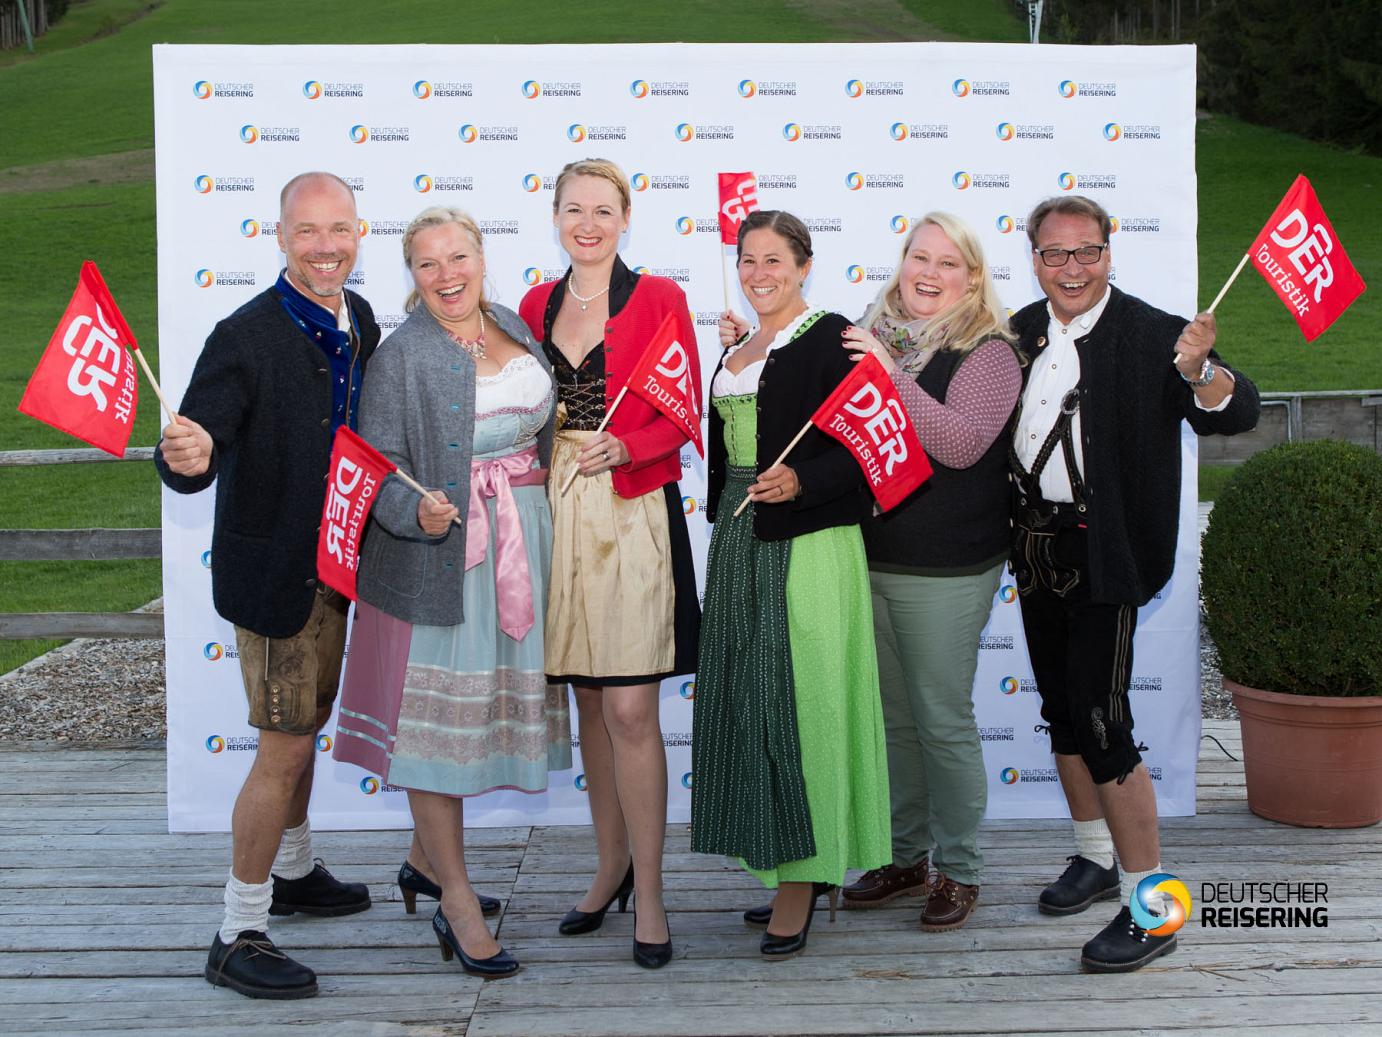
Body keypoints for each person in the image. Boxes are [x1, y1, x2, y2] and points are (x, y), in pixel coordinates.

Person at [1009, 195, 1259, 972]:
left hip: (1107, 553)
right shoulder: (1017, 331)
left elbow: (1235, 411)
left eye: (1087, 250)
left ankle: (1154, 908)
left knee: (1101, 719)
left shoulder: (1156, 335)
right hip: (1033, 548)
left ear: (1109, 253)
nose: (1072, 267)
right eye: (1056, 253)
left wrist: (1201, 371)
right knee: (1061, 712)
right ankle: (1093, 855)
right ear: (1036, 259)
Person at [156, 171, 379, 1000]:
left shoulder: (359, 319)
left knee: (307, 727)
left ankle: (293, 870)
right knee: (283, 746)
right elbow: (193, 446)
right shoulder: (243, 335)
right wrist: (189, 457)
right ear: (279, 237)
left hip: (336, 569)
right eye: (307, 230)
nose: (325, 246)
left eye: (339, 229)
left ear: (359, 235)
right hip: (275, 576)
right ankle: (237, 929)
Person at [332, 207, 570, 979]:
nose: (446, 275)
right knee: (433, 739)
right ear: (412, 274)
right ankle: (458, 903)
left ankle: (423, 862)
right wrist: (417, 512)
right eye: (428, 264)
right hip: (443, 560)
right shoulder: (401, 356)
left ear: (480, 256)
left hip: (520, 542)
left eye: (457, 257)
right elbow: (377, 468)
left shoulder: (511, 323)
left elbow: (543, 428)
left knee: (472, 723)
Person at [693, 209, 891, 960]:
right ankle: (781, 859)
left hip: (809, 542)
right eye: (748, 260)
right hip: (741, 537)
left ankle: (808, 876)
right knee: (753, 698)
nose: (759, 273)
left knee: (806, 702)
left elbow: (871, 448)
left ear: (805, 265)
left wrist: (804, 480)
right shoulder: (738, 345)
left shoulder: (835, 338)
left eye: (774, 259)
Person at [517, 158, 700, 970]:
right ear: (555, 216)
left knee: (629, 709)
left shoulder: (660, 298)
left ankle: (651, 894)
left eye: (602, 209)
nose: (586, 224)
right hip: (557, 508)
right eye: (573, 209)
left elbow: (682, 412)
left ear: (626, 218)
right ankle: (610, 866)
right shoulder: (533, 305)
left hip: (631, 510)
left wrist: (629, 444)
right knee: (588, 702)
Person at [836, 213, 1024, 930]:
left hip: (946, 566)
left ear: (971, 278)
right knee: (895, 721)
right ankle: (905, 856)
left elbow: (961, 443)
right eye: (920, 257)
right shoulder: (872, 332)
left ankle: (961, 868)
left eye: (948, 263)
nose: (929, 273)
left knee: (941, 720)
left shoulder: (989, 351)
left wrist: (887, 378)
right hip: (870, 554)